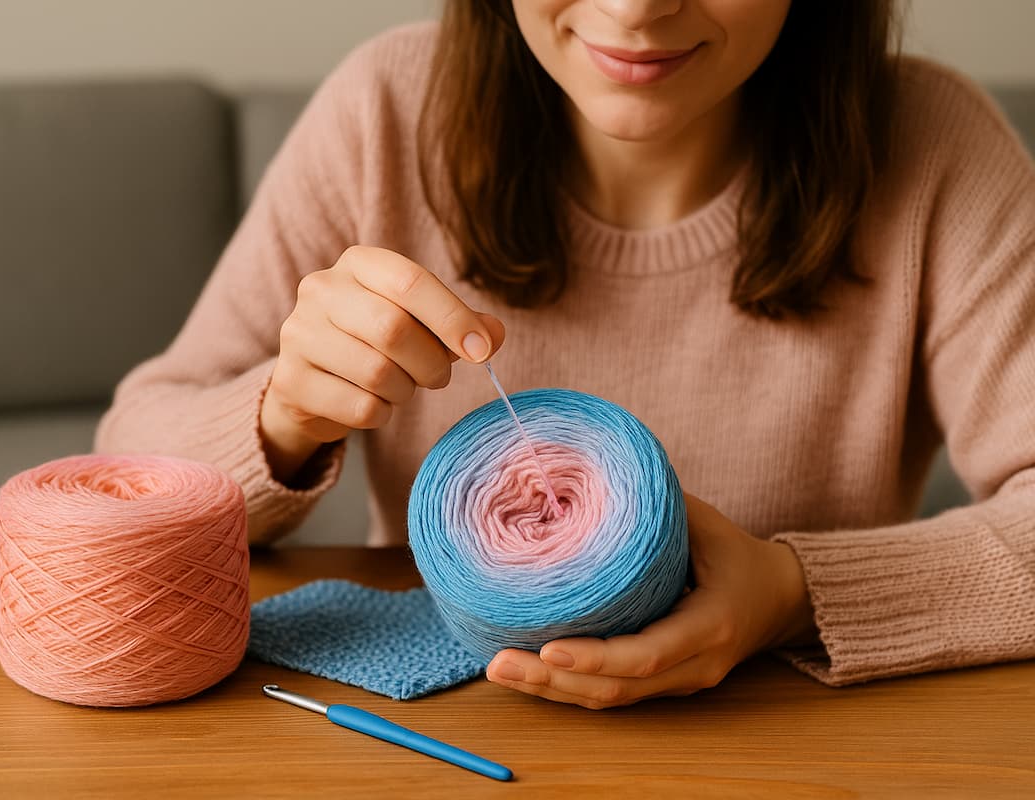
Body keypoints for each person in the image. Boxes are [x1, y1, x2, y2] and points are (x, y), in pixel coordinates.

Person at [95, 0, 1035, 709]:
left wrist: (793, 594)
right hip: (457, 734)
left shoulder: (933, 146)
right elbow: (119, 466)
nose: (634, 9)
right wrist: (281, 418)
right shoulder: (386, 110)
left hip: (800, 744)